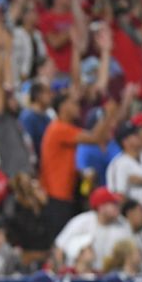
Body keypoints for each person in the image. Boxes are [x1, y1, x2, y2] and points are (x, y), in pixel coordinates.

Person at [40, 92, 117, 242]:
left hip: (64, 195)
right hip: (57, 197)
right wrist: (107, 115)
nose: (78, 107)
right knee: (61, 241)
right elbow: (96, 138)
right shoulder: (59, 128)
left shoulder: (64, 127)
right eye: (73, 103)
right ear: (63, 107)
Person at [54, 187, 130, 272]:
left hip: (108, 275)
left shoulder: (123, 224)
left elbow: (131, 254)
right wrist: (62, 272)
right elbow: (59, 248)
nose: (117, 207)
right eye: (113, 204)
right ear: (101, 207)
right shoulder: (82, 221)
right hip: (77, 275)